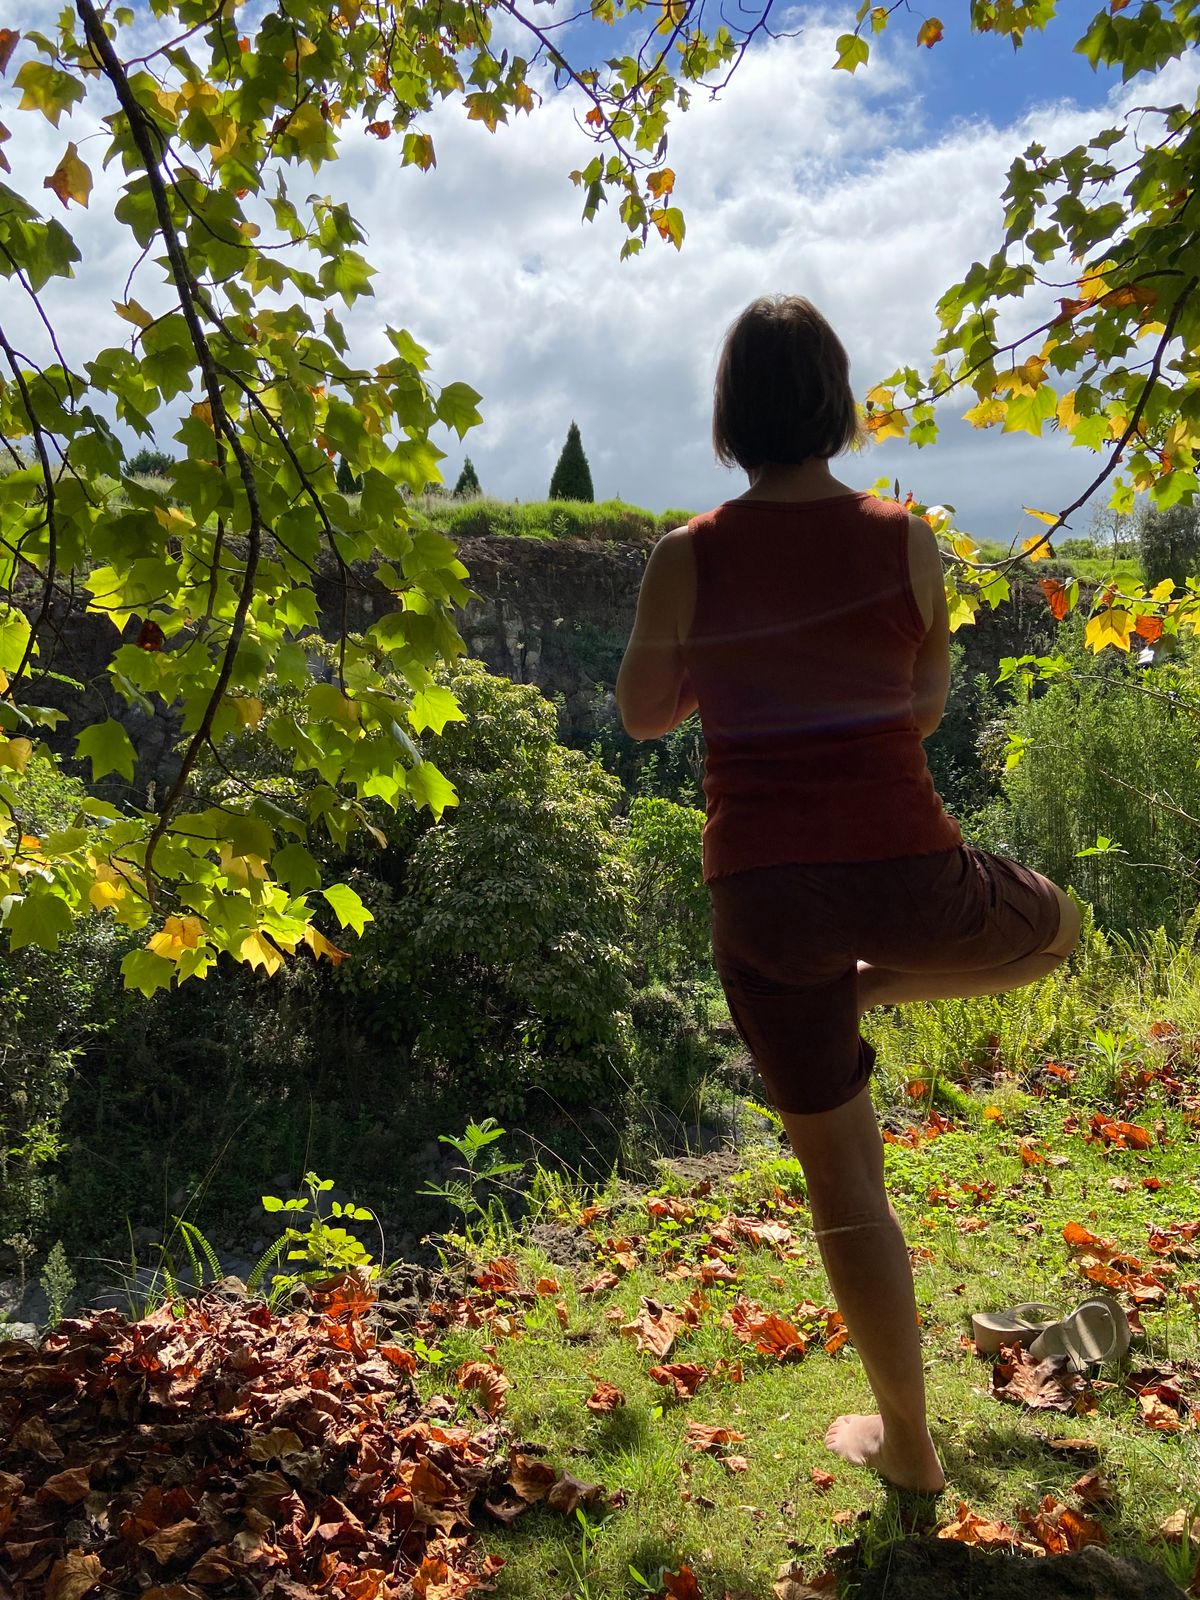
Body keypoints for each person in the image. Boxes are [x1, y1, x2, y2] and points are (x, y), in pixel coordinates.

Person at [615, 295, 1081, 1495]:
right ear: (836, 401)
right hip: (908, 866)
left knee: (844, 1185)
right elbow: (926, 705)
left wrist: (725, 671)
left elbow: (644, 714)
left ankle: (911, 1449)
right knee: (1055, 930)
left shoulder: (687, 553)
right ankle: (874, 985)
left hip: (765, 899)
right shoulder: (902, 536)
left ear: (730, 412)